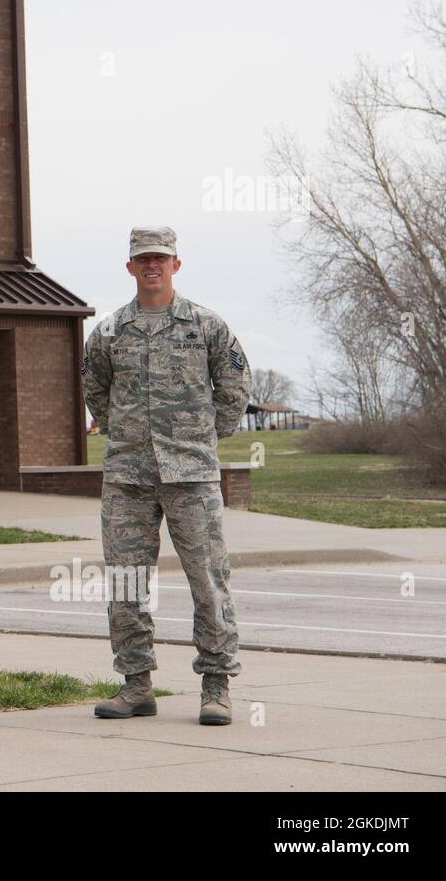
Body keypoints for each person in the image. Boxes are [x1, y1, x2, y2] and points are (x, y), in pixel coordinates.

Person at [80, 226, 251, 725]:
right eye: (142, 259)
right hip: (128, 477)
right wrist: (124, 435)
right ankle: (136, 686)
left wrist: (204, 436)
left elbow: (236, 382)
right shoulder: (109, 332)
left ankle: (216, 686)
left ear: (176, 264)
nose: (151, 265)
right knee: (126, 582)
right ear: (129, 267)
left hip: (192, 476)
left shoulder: (206, 326)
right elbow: (95, 388)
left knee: (207, 579)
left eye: (161, 258)